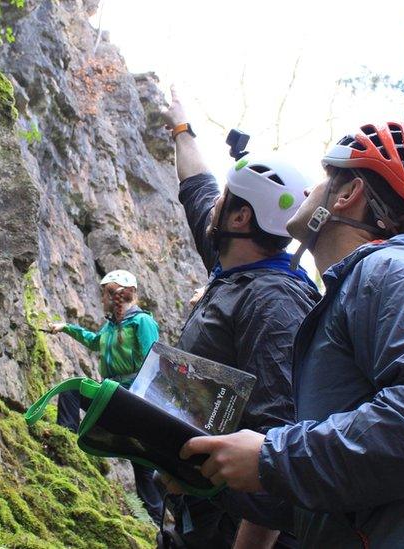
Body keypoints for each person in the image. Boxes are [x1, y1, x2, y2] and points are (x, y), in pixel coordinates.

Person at [180, 122, 404, 548]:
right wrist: (208, 471)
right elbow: (332, 485)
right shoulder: (351, 295)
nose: (309, 190)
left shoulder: (393, 270)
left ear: (347, 194)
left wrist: (272, 457)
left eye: (323, 178)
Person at [162, 87, 320, 548]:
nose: (215, 201)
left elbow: (280, 442)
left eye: (225, 197)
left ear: (239, 218)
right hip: (201, 508)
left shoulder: (274, 302)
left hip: (240, 531)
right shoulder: (232, 263)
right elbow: (197, 187)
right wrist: (181, 127)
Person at [47, 269, 163, 523]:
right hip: (113, 391)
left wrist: (142, 400)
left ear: (115, 294)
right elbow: (94, 341)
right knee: (71, 390)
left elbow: (152, 362)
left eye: (104, 293)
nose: (101, 298)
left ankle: (158, 524)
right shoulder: (111, 326)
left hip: (133, 395)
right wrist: (66, 328)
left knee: (144, 466)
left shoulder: (142, 322)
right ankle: (66, 440)